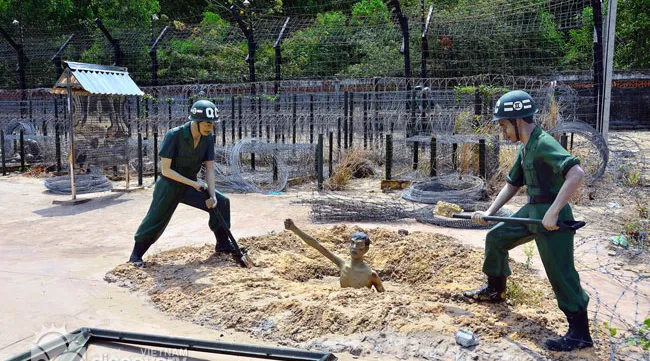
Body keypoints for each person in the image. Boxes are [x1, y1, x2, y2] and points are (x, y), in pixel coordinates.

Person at [463, 90, 592, 352]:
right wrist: (490, 212)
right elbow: (512, 185)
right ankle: (494, 289)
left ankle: (580, 334)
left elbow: (576, 173)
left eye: (503, 125)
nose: (503, 132)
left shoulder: (544, 143)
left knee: (560, 273)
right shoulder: (526, 148)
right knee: (496, 237)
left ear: (517, 121)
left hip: (552, 218)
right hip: (532, 211)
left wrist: (554, 211)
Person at [128, 99, 235, 267]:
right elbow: (166, 170)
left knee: (221, 203)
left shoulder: (207, 139)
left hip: (191, 185)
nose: (210, 127)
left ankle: (223, 244)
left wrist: (212, 195)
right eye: (207, 124)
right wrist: (193, 184)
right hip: (168, 186)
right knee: (155, 219)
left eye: (213, 124)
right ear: (196, 121)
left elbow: (210, 169)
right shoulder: (174, 135)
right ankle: (135, 256)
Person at [284, 219, 385, 292]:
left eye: (359, 245)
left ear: (366, 249)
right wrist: (295, 229)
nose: (354, 247)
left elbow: (383, 297)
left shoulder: (371, 275)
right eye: (352, 243)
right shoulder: (343, 265)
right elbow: (318, 246)